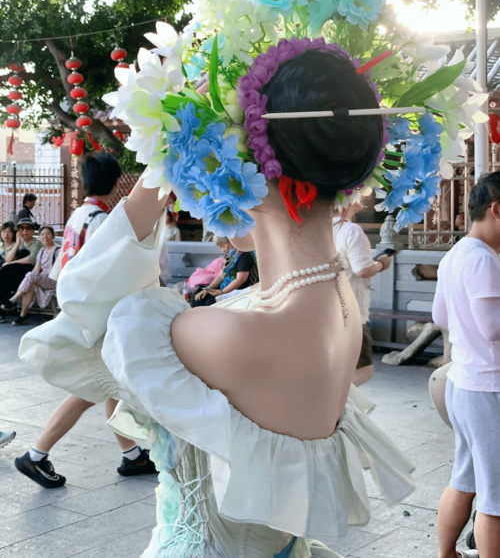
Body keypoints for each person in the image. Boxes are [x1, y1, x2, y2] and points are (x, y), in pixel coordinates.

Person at [19, 47, 416, 557]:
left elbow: (82, 314)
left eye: (213, 161)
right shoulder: (335, 299)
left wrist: (164, 159)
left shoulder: (233, 334)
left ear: (243, 165)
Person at [14, 152, 156, 489]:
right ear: (117, 181)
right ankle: (36, 454)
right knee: (94, 387)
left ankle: (131, 454)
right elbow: (108, 270)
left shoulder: (79, 214)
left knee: (109, 382)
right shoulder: (103, 219)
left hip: (79, 306)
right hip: (96, 312)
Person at [432, 171, 500, 558]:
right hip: (488, 388)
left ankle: (447, 554)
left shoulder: (455, 254)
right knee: (495, 495)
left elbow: (441, 316)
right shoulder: (483, 259)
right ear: (497, 210)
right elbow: (493, 328)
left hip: (462, 382)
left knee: (465, 478)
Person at [333, 200, 393, 386]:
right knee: (363, 369)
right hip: (350, 309)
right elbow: (362, 270)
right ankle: (335, 405)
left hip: (325, 309)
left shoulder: (318, 230)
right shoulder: (350, 231)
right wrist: (382, 263)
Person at [2, 225, 60, 326]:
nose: (45, 236)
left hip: (54, 279)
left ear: (53, 236)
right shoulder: (41, 251)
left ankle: (13, 299)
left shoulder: (58, 250)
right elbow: (36, 269)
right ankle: (23, 316)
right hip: (43, 279)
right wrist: (29, 279)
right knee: (30, 284)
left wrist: (31, 277)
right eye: (42, 234)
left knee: (31, 276)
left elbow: (60, 269)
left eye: (48, 234)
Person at [191, 235, 258, 307]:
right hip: (226, 288)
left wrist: (223, 292)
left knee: (210, 303)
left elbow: (240, 279)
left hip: (240, 290)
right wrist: (208, 289)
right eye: (220, 247)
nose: (222, 250)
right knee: (198, 301)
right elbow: (220, 276)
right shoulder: (229, 255)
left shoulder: (245, 255)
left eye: (223, 246)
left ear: (232, 242)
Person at [0, 218, 43, 322]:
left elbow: (31, 260)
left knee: (5, 271)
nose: (24, 231)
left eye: (28, 228)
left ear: (33, 230)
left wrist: (11, 263)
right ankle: (4, 310)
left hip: (32, 273)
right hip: (18, 275)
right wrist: (18, 241)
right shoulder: (20, 243)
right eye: (22, 228)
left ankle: (6, 309)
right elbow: (9, 259)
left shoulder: (37, 243)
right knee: (3, 277)